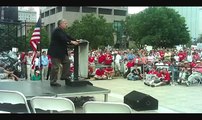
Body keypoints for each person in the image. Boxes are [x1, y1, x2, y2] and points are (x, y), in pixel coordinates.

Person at [48, 19, 80, 87]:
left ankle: (64, 76)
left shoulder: (62, 31)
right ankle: (53, 81)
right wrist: (71, 42)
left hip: (62, 52)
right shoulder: (57, 31)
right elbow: (63, 38)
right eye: (65, 23)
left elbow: (68, 36)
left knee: (67, 62)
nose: (66, 25)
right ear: (60, 24)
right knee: (55, 67)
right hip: (55, 52)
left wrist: (75, 40)